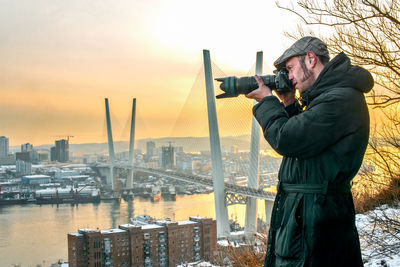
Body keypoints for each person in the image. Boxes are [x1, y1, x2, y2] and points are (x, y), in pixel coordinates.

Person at [246, 36, 373, 267]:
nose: (289, 76)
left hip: (314, 222)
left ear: (311, 59)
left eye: (290, 68)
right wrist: (288, 103)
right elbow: (308, 147)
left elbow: (287, 139)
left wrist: (266, 101)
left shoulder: (339, 99)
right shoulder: (330, 97)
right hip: (310, 217)